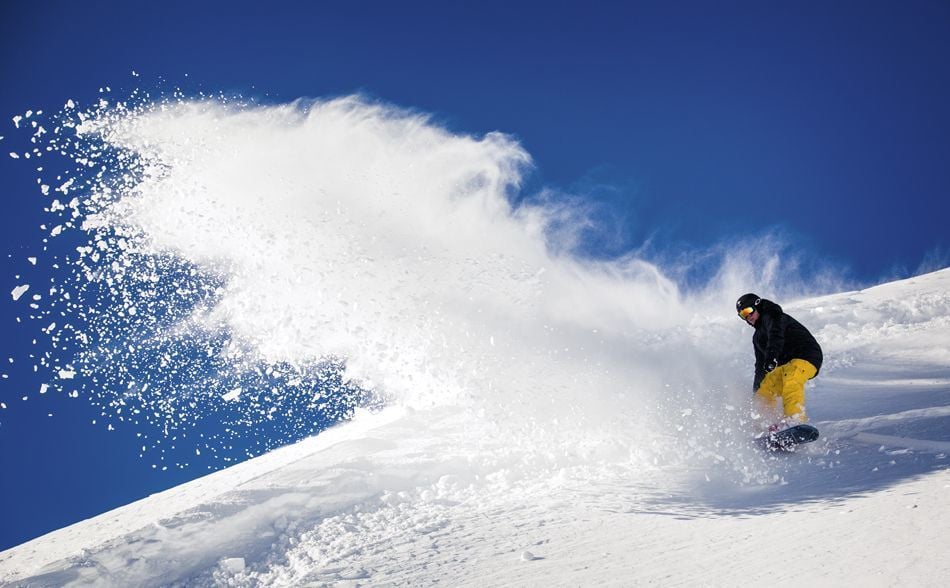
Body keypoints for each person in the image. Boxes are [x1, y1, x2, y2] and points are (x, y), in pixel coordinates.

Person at [736, 293, 823, 430]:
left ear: (757, 305)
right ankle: (765, 426)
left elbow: (776, 335)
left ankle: (795, 421)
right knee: (765, 390)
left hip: (806, 355)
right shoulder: (757, 338)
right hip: (785, 364)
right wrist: (756, 390)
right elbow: (759, 366)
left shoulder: (773, 316)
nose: (748, 317)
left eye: (748, 311)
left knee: (792, 380)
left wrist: (771, 357)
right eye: (742, 315)